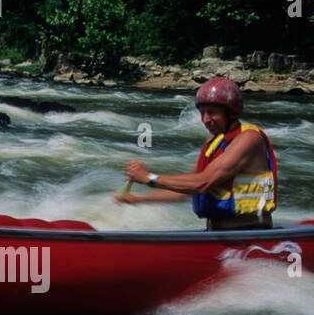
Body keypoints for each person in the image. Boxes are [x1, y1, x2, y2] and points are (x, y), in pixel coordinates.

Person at [114, 77, 277, 230]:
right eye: (202, 113)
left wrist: (149, 178)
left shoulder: (249, 139)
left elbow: (203, 183)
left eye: (212, 112)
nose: (205, 119)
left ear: (231, 113)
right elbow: (184, 189)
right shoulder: (212, 144)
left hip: (251, 233)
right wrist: (138, 199)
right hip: (218, 234)